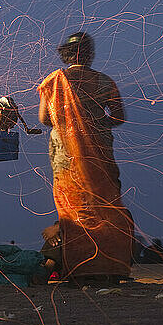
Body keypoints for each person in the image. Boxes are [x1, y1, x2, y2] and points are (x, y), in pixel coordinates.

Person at [37, 32, 134, 283]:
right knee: (103, 204)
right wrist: (95, 123)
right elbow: (119, 117)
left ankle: (75, 265)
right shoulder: (105, 82)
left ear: (65, 55)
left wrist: (70, 120)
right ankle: (109, 266)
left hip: (65, 154)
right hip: (100, 152)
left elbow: (45, 119)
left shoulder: (54, 81)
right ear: (90, 54)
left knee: (72, 207)